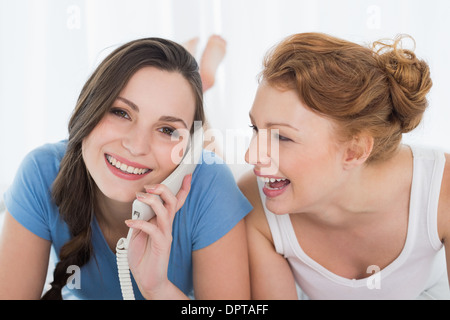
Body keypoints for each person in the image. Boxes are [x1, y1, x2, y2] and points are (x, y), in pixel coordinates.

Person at [0, 37, 251, 299]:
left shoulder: (210, 185)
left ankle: (199, 82)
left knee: (210, 153)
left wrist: (158, 289)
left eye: (167, 129)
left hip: (199, 166)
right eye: (121, 112)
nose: (136, 145)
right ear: (89, 106)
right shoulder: (41, 173)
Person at [238, 32, 450, 299]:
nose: (251, 155)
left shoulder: (441, 188)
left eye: (282, 137)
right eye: (255, 128)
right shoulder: (253, 201)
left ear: (355, 150)